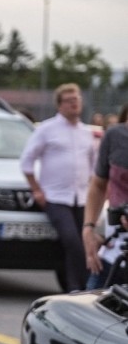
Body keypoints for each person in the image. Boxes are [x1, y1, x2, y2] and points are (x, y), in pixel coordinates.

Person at [20, 83, 96, 292]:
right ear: (60, 105)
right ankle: (77, 286)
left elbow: (92, 165)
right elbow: (27, 161)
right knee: (72, 241)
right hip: (55, 196)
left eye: (77, 100)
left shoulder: (86, 132)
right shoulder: (46, 129)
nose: (74, 104)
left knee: (82, 241)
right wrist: (36, 189)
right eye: (69, 101)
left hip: (80, 197)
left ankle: (77, 287)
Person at [83, 103, 128, 288]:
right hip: (113, 251)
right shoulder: (115, 135)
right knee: (88, 310)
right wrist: (89, 228)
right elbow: (98, 185)